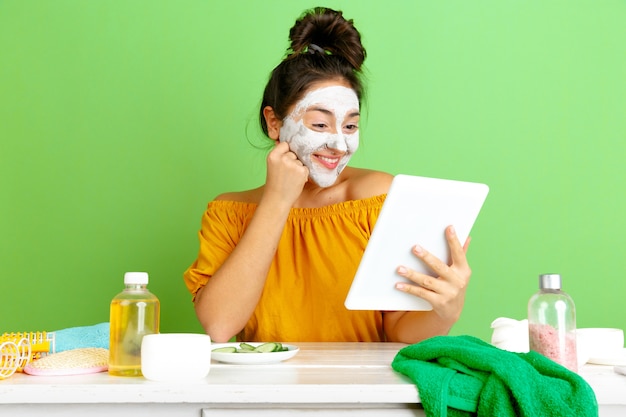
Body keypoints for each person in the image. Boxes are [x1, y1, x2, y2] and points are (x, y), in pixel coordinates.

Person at [184, 7, 472, 344]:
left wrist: (445, 312)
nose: (338, 143)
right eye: (320, 124)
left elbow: (398, 331)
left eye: (350, 125)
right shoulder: (228, 214)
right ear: (275, 122)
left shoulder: (378, 198)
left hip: (362, 392)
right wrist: (278, 200)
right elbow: (219, 325)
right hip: (263, 392)